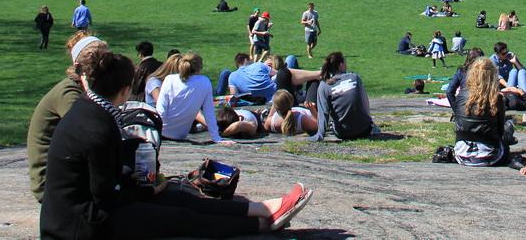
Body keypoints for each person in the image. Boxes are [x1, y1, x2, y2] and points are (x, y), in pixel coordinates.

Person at [40, 47, 313, 238]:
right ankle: (263, 224)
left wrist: (136, 181)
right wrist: (145, 192)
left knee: (181, 197)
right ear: (123, 90)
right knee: (182, 218)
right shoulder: (97, 128)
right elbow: (105, 198)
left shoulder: (91, 110)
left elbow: (100, 177)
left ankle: (266, 208)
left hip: (86, 211)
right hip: (81, 225)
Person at [28, 33, 107, 201]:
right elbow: (88, 135)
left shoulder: (85, 90)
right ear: (79, 67)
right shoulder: (69, 93)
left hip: (66, 171)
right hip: (50, 183)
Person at [451, 58, 510, 166]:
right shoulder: (496, 99)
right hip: (488, 155)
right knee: (508, 129)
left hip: (461, 153)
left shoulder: (461, 95)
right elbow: (500, 131)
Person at [309, 52, 379, 141]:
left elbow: (324, 111)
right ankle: (370, 123)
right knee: (361, 90)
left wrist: (320, 134)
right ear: (341, 66)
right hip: (364, 130)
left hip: (343, 133)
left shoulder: (324, 86)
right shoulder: (354, 77)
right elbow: (362, 98)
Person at [155, 52, 223, 143]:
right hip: (179, 136)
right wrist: (216, 137)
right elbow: (209, 112)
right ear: (199, 68)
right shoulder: (205, 82)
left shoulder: (169, 79)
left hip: (162, 132)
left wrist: (156, 135)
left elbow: (161, 111)